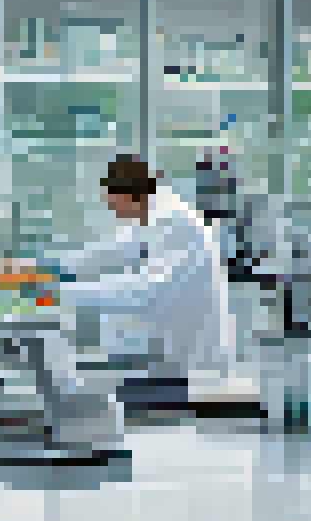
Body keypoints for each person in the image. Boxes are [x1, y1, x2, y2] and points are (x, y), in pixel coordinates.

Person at [23, 156, 236, 411]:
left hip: (189, 374)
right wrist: (48, 270)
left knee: (93, 408)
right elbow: (113, 250)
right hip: (173, 365)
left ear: (129, 196)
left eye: (114, 204)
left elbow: (144, 295)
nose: (114, 213)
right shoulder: (159, 215)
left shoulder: (174, 222)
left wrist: (56, 293)